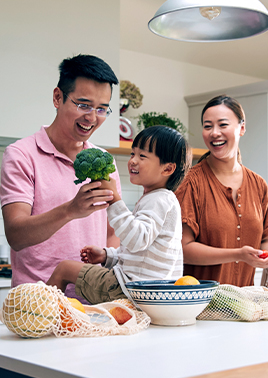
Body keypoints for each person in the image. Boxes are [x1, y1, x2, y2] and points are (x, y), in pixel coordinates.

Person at [0, 54, 121, 299]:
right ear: (58, 97)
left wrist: (105, 261)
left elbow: (114, 230)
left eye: (101, 109)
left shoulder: (103, 161)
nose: (92, 117)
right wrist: (70, 210)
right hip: (36, 304)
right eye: (83, 105)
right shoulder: (21, 155)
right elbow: (16, 235)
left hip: (93, 304)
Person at [47, 125, 191, 304]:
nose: (133, 161)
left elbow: (137, 240)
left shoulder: (159, 200)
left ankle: (38, 317)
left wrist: (114, 200)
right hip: (148, 294)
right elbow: (141, 257)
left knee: (64, 269)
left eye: (142, 156)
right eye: (132, 154)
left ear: (167, 169)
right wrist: (107, 256)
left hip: (129, 289)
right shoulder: (160, 199)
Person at [175, 94, 268, 286]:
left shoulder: (259, 185)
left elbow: (266, 238)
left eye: (223, 125)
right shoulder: (190, 183)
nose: (214, 133)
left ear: (241, 128)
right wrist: (238, 254)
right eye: (208, 126)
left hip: (246, 305)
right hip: (200, 307)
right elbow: (181, 250)